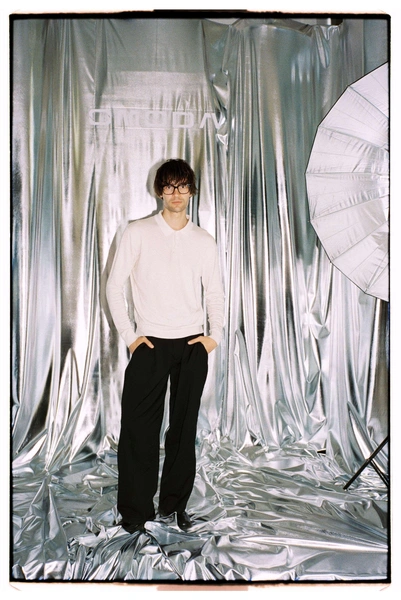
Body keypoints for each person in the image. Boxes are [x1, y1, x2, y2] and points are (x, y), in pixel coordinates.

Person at [106, 158, 224, 534]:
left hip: (191, 345)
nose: (176, 193)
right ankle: (135, 513)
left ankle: (174, 507)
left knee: (183, 431)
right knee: (139, 431)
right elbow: (113, 286)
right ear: (159, 191)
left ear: (192, 191)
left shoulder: (204, 241)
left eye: (183, 186)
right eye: (169, 186)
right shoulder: (138, 232)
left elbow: (215, 293)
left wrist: (213, 337)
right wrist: (131, 337)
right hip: (150, 344)